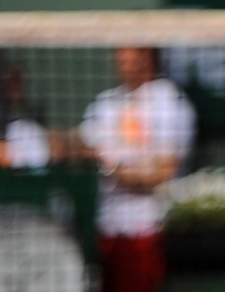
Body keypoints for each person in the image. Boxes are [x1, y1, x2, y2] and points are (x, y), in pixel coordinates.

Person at [68, 46, 192, 292]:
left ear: (147, 55)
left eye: (131, 51)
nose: (123, 59)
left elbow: (163, 172)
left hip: (147, 230)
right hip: (104, 227)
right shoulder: (106, 102)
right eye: (120, 52)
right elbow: (77, 145)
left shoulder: (169, 101)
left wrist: (115, 170)